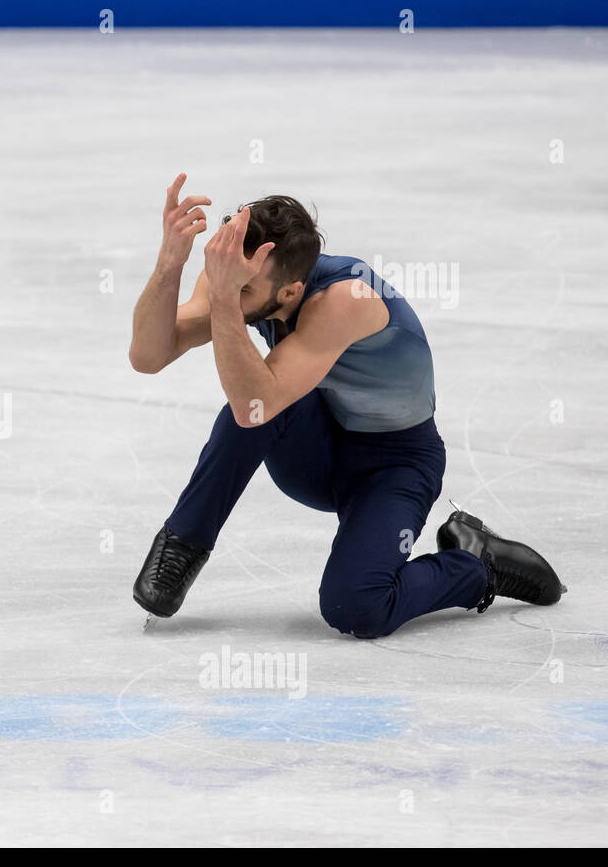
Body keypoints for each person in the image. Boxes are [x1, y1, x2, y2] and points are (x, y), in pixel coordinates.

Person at [129, 175, 564, 637]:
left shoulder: (346, 299)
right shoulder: (237, 277)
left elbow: (254, 399)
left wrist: (220, 297)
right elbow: (149, 355)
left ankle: (476, 563)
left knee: (355, 607)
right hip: (320, 449)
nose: (228, 294)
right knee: (256, 409)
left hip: (395, 464)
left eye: (241, 291)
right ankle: (181, 546)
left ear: (291, 292)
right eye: (226, 281)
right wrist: (170, 264)